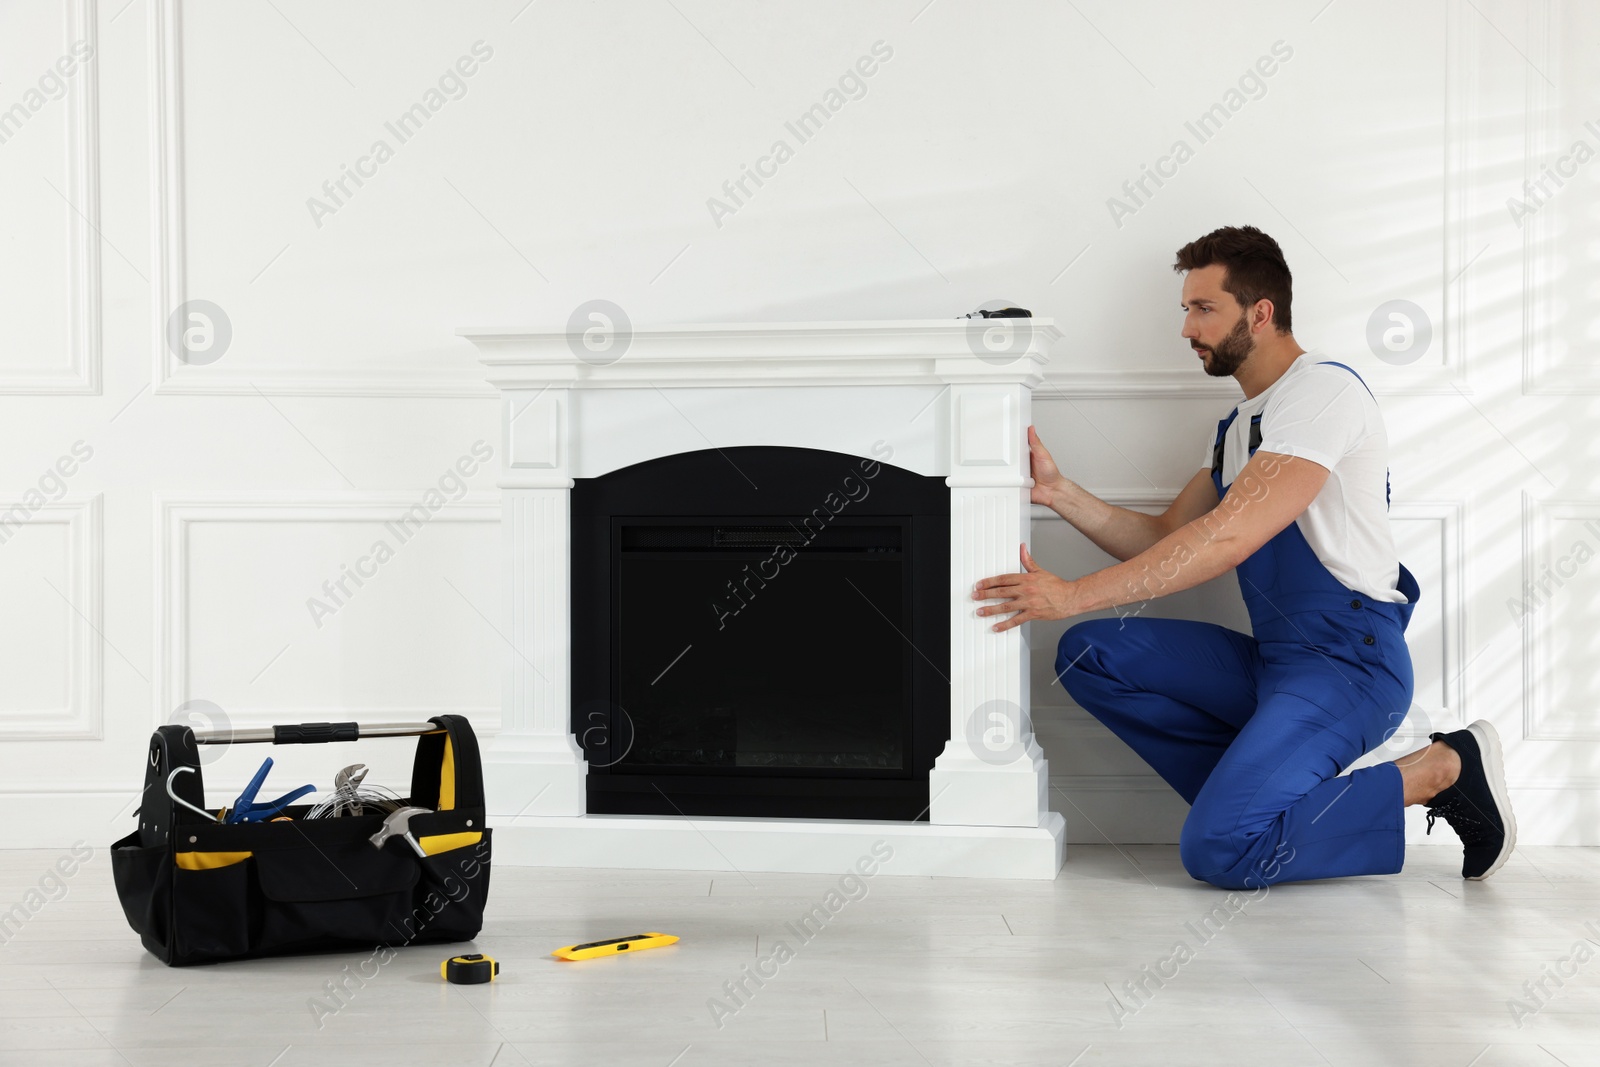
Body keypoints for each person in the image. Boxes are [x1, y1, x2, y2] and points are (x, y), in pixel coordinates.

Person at [972, 225, 1515, 889]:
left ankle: (1440, 768)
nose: (1186, 328)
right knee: (1090, 653)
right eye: (1185, 309)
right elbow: (1166, 536)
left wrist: (1072, 593)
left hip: (1350, 666)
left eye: (1203, 308)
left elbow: (1230, 535)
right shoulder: (1232, 429)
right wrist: (1060, 494)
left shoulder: (1321, 395)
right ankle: (1259, 801)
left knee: (1217, 852)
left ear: (1260, 313)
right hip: (1275, 662)